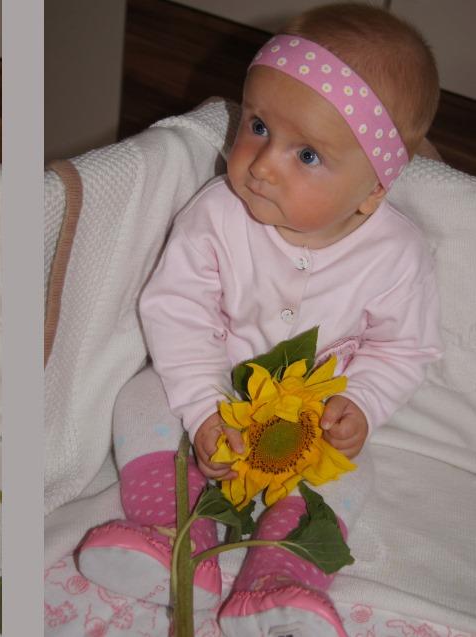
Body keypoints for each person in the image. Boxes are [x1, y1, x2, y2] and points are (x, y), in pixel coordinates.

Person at [75, 4, 442, 635]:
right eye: (258, 125)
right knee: (139, 399)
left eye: (308, 155)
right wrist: (201, 409)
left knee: (353, 470)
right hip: (214, 384)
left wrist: (361, 403)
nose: (264, 163)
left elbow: (402, 348)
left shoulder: (398, 255)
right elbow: (177, 308)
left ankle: (279, 574)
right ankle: (173, 531)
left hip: (309, 422)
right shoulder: (216, 213)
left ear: (373, 190)